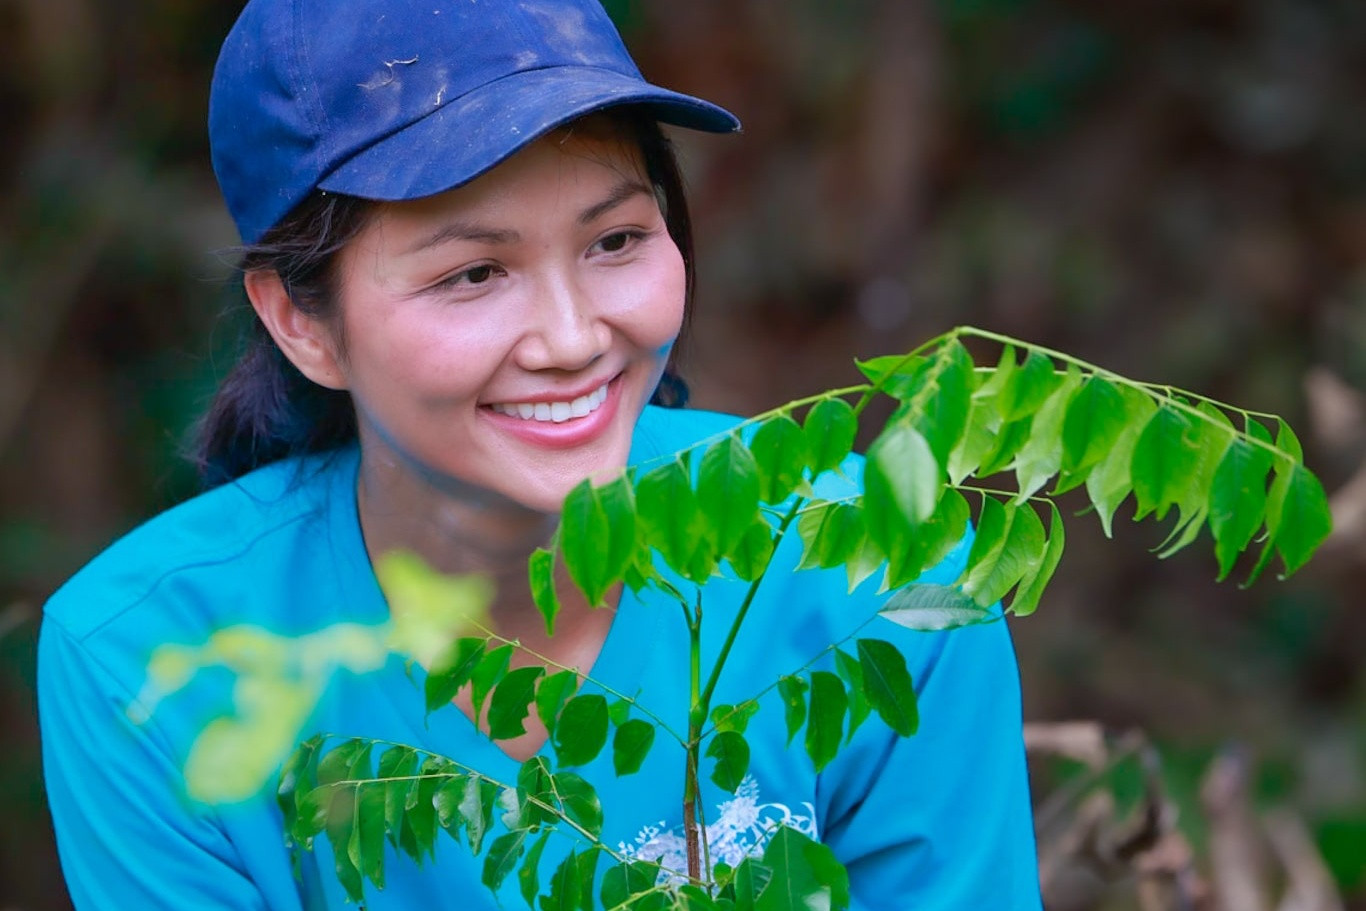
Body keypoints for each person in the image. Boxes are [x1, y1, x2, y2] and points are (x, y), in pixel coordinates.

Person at [37, 0, 1041, 908]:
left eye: (613, 242)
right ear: (304, 322)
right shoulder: (148, 661)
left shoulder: (876, 560)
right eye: (475, 272)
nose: (569, 337)